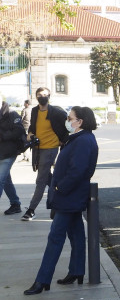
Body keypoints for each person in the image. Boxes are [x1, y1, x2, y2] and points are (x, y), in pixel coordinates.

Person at [24, 106, 98, 295]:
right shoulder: (80, 138)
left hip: (69, 196)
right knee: (76, 235)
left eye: (70, 118)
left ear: (79, 122)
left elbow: (78, 170)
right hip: (71, 196)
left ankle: (42, 280)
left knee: (55, 237)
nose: (67, 120)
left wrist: (59, 187)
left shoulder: (83, 140)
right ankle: (77, 271)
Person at [22, 87, 69, 221]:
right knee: (49, 178)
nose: (42, 97)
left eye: (44, 94)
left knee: (41, 179)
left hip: (50, 148)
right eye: (39, 95)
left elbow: (67, 128)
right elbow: (33, 127)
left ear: (49, 96)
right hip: (38, 148)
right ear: (36, 97)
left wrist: (61, 141)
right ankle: (59, 200)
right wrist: (30, 134)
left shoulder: (56, 112)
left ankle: (31, 210)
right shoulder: (35, 110)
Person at [1, 101, 25, 215]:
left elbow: (19, 130)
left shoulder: (12, 114)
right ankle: (15, 203)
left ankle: (15, 204)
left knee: (0, 179)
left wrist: (3, 136)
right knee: (5, 180)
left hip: (8, 153)